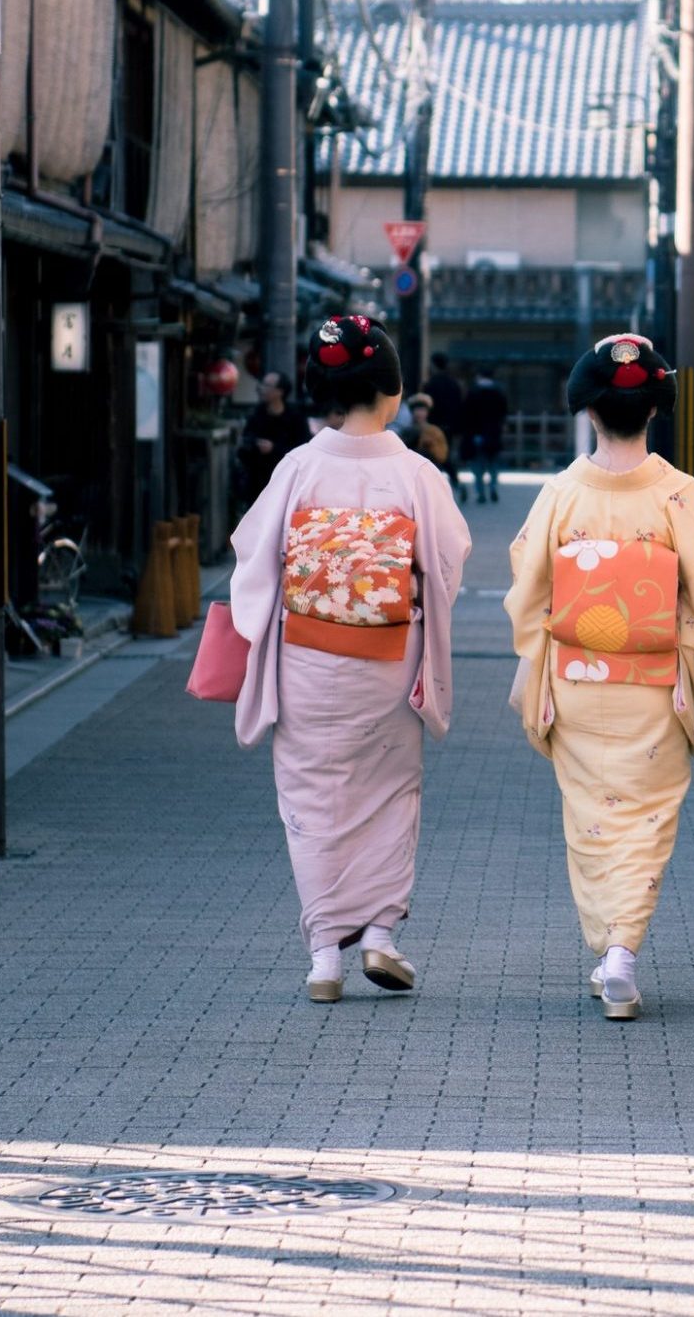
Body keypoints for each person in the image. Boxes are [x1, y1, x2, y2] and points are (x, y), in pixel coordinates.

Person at [228, 315, 472, 1004]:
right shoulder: (416, 473)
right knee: (391, 794)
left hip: (307, 660)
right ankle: (381, 937)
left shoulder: (298, 467)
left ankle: (322, 959)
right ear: (393, 392)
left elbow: (254, 559)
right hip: (388, 661)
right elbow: (449, 560)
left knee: (312, 799)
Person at [504, 335, 694, 1020]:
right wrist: (675, 634)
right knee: (647, 818)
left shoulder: (561, 493)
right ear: (653, 412)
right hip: (654, 683)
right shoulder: (677, 493)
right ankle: (623, 952)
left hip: (578, 681)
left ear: (590, 414)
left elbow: (529, 591)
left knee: (590, 820)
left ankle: (609, 950)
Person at [239, 371, 307, 500]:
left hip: (285, 481)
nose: (262, 389)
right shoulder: (256, 413)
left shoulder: (295, 417)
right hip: (257, 481)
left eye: (267, 386)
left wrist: (274, 449)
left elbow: (303, 448)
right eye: (262, 384)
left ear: (279, 392)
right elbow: (245, 443)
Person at [423, 352, 466, 503]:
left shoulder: (431, 384)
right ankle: (454, 482)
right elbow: (460, 406)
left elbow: (427, 407)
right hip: (450, 426)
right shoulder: (454, 384)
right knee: (444, 454)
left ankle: (438, 486)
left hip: (435, 425)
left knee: (435, 456)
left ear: (434, 365)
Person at [463, 366, 508, 504]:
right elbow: (503, 412)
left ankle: (480, 492)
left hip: (477, 433)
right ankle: (493, 486)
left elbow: (467, 414)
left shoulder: (473, 392)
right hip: (494, 433)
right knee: (493, 463)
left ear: (480, 376)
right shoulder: (499, 392)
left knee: (478, 465)